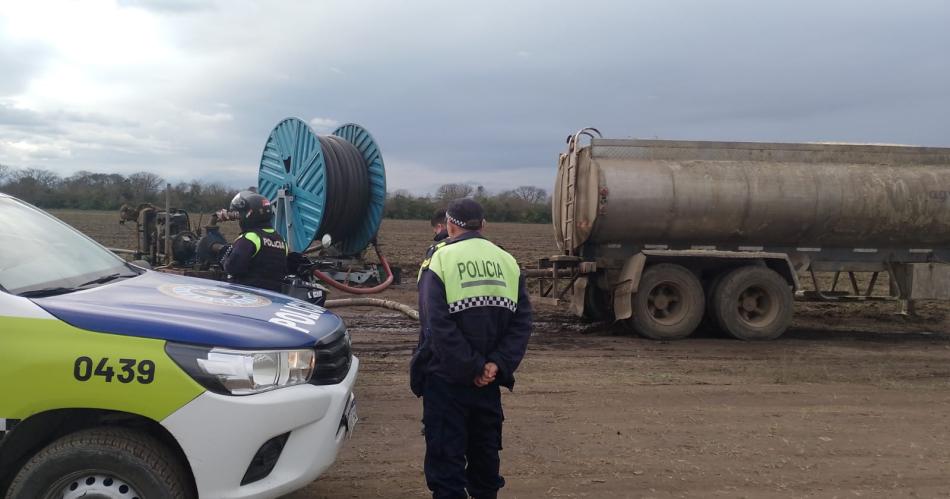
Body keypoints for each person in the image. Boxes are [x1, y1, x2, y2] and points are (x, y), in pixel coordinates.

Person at [411, 198, 532, 499]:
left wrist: (472, 366)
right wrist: (496, 364)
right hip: (488, 386)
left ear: (450, 225)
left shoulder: (438, 260)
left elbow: (435, 326)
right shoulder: (507, 261)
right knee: (485, 467)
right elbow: (522, 322)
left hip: (445, 382)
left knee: (447, 468)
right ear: (484, 225)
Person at [219, 190, 288, 292]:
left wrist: (225, 260)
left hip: (248, 296)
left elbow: (232, 268)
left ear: (249, 214)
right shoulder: (281, 240)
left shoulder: (250, 238)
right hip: (273, 297)